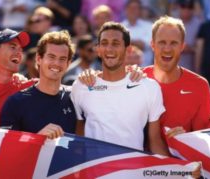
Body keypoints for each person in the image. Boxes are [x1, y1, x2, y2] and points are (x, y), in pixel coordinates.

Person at [71, 22, 169, 156]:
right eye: (104, 43)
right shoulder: (81, 86)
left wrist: (181, 171)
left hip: (134, 173)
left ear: (128, 50)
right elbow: (78, 137)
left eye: (116, 43)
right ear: (98, 49)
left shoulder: (149, 87)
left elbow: (155, 141)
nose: (109, 49)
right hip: (93, 173)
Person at [0, 31, 78, 139]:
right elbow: (6, 148)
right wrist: (37, 139)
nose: (56, 63)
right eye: (51, 57)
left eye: (62, 59)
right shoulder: (16, 102)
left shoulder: (76, 98)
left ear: (68, 63)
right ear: (38, 59)